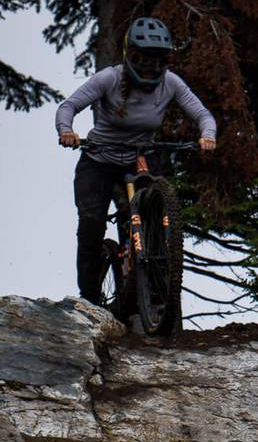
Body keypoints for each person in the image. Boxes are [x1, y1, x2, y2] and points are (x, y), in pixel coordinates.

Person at [55, 17, 217, 306]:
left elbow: (203, 114)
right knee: (91, 224)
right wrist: (66, 131)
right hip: (98, 159)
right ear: (130, 55)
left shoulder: (171, 83)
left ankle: (150, 279)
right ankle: (90, 297)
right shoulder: (110, 79)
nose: (150, 67)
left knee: (151, 212)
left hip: (140, 156)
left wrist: (208, 135)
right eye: (143, 59)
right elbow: (68, 106)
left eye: (158, 60)